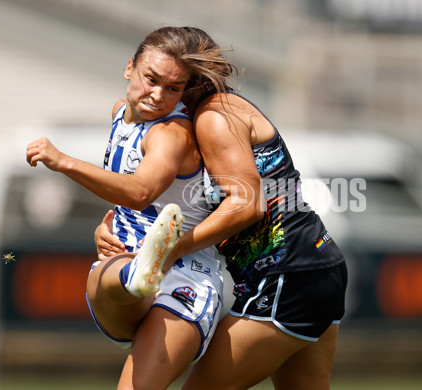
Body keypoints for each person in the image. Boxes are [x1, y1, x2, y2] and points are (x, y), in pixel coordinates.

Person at [96, 26, 348, 389]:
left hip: (284, 278)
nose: (159, 94)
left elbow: (247, 205)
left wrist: (171, 250)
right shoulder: (215, 112)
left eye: (173, 85)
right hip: (316, 266)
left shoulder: (213, 117)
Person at [26, 27, 226, 390]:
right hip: (125, 257)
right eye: (151, 79)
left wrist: (63, 161)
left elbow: (140, 192)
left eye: (173, 88)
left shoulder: (170, 133)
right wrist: (104, 228)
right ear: (129, 68)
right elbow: (128, 201)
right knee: (114, 271)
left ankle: (137, 275)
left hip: (186, 276)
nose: (157, 95)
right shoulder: (121, 114)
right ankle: (136, 277)